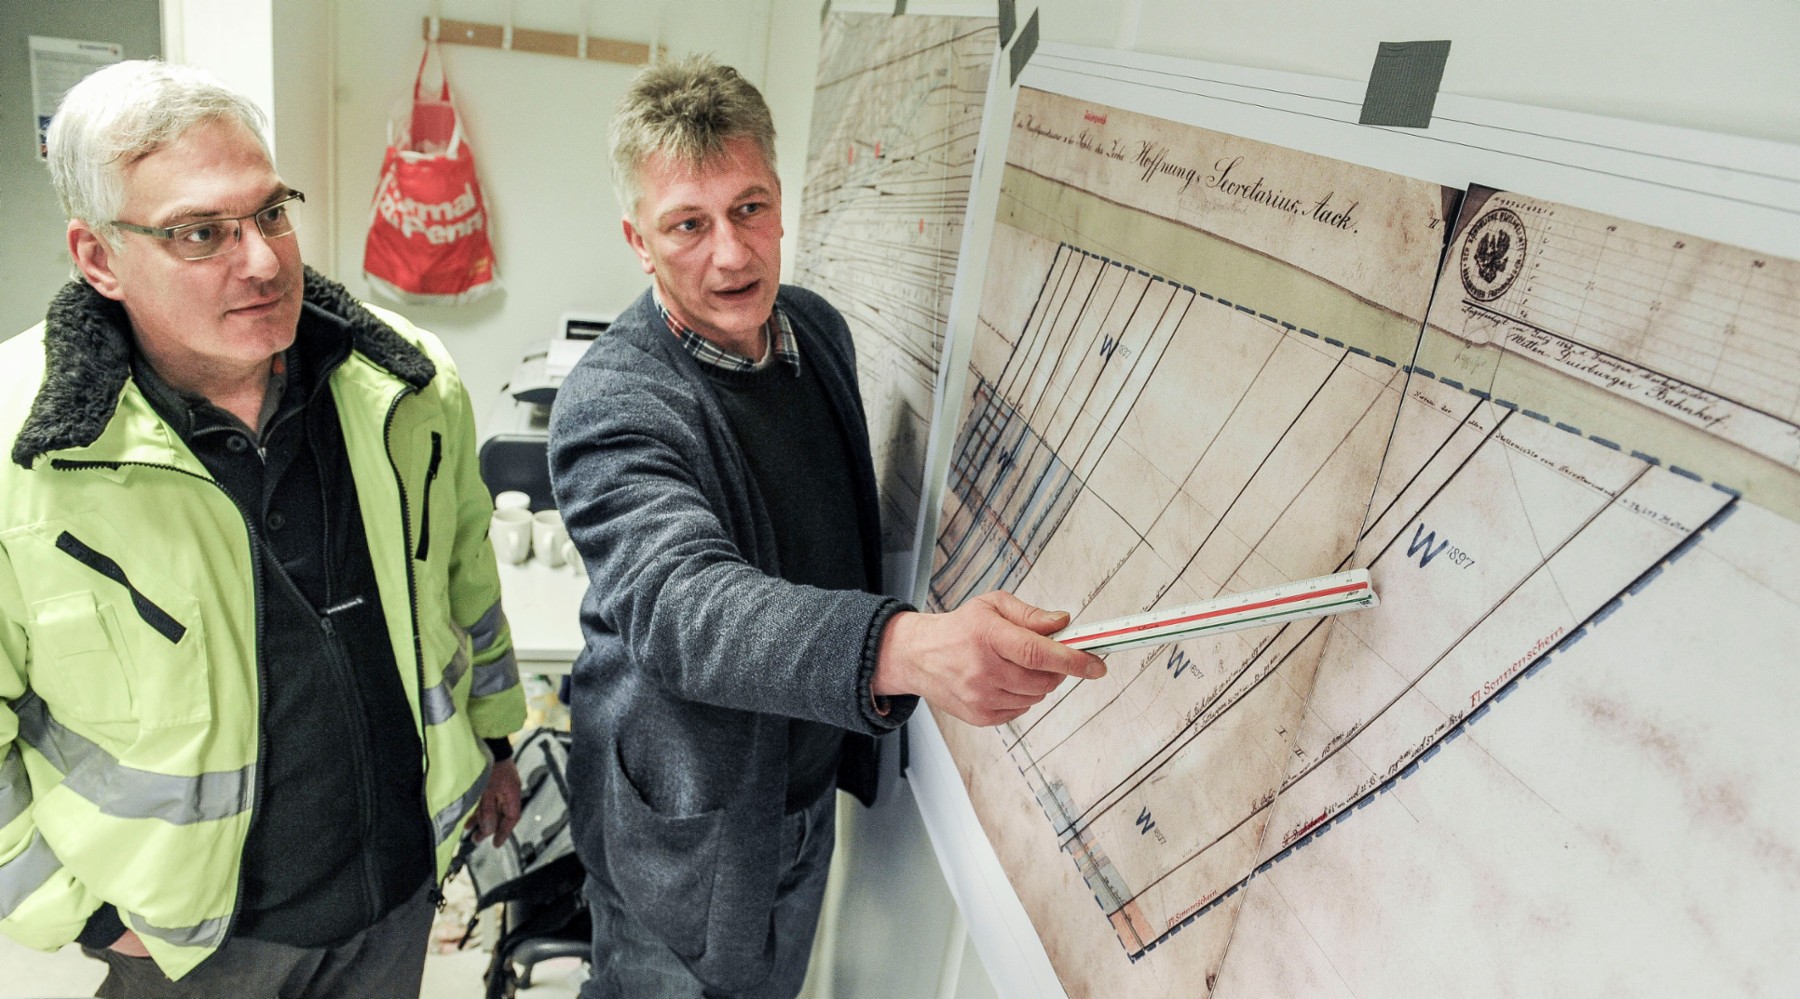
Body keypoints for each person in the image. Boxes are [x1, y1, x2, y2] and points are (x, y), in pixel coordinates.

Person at [547, 55, 1107, 998]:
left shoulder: (814, 329)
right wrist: (911, 647)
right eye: (689, 224)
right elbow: (688, 609)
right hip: (689, 827)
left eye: (751, 207)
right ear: (639, 242)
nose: (731, 253)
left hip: (797, 794)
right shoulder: (612, 402)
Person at [0, 60, 526, 997]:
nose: (263, 260)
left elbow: (463, 579)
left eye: (271, 212)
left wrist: (493, 742)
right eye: (201, 232)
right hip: (192, 948)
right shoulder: (21, 450)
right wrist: (77, 911)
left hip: (395, 899)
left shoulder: (407, 385)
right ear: (98, 257)